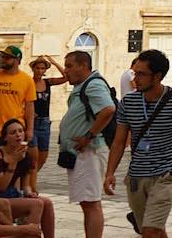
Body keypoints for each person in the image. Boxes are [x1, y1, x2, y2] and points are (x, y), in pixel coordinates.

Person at [104, 49, 172, 238]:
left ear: (158, 76)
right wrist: (110, 173)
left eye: (141, 74)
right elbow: (119, 142)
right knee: (154, 229)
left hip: (166, 173)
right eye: (135, 72)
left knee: (150, 230)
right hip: (137, 176)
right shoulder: (129, 101)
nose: (135, 78)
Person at [59, 49, 116, 238]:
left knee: (91, 202)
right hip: (81, 154)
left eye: (69, 66)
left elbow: (108, 109)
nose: (65, 71)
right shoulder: (83, 86)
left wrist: (88, 136)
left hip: (89, 152)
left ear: (83, 66)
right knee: (87, 202)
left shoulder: (93, 85)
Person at [0, 118, 56, 238]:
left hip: (13, 195)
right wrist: (13, 162)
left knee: (47, 202)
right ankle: (26, 234)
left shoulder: (25, 154)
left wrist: (29, 193)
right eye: (13, 133)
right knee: (37, 205)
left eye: (20, 131)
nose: (18, 135)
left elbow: (25, 185)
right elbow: (1, 187)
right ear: (5, 138)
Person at [27, 56, 65, 190]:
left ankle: (27, 179)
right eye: (37, 68)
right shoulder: (28, 82)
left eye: (42, 68)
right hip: (31, 122)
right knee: (34, 157)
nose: (40, 71)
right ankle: (32, 186)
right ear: (33, 68)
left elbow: (66, 77)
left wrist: (54, 63)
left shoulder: (48, 83)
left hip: (45, 122)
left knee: (43, 156)